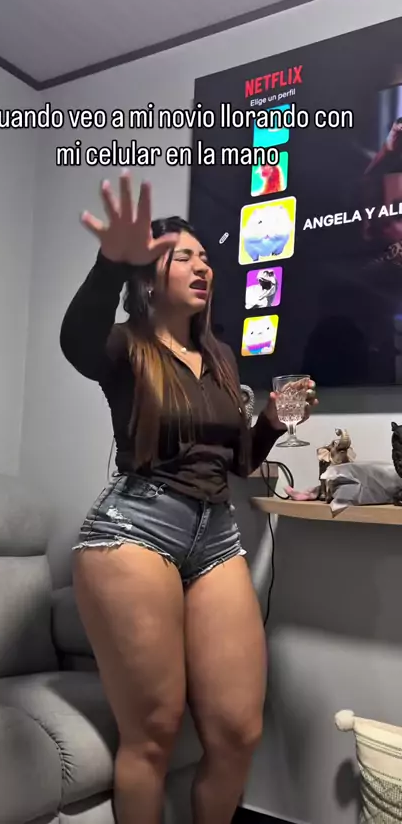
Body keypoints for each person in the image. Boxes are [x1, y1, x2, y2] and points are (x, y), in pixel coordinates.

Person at [60, 173, 317, 824]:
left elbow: (239, 462)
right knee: (153, 732)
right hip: (135, 528)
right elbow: (77, 342)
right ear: (151, 275)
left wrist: (272, 422)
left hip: (216, 533)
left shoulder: (221, 357)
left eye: (206, 257)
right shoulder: (127, 345)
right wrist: (111, 263)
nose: (203, 266)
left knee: (237, 731)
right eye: (184, 257)